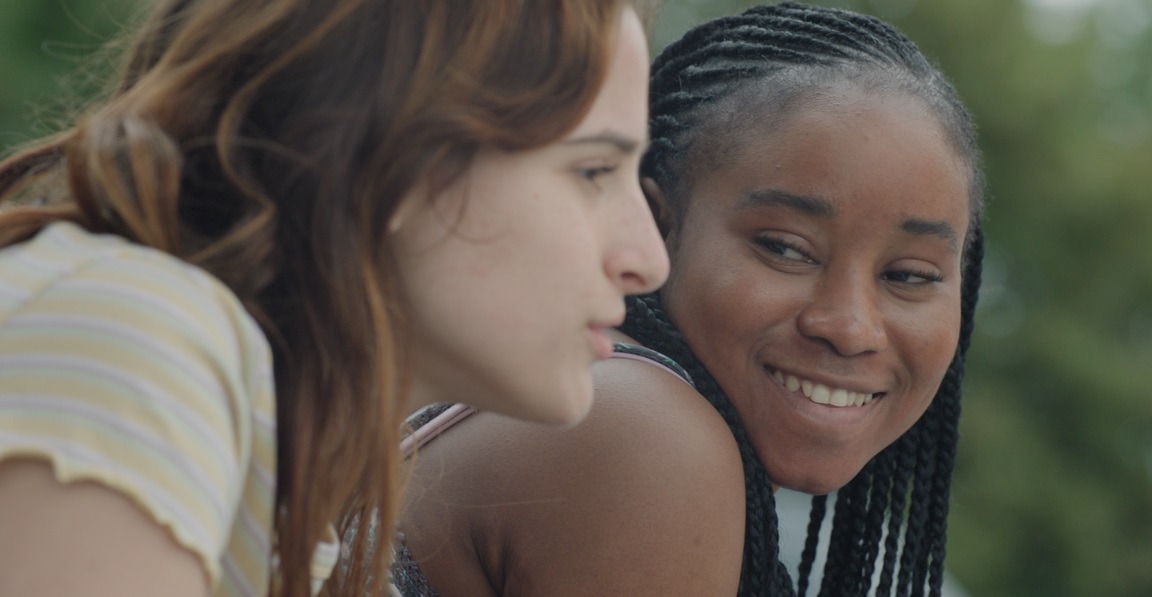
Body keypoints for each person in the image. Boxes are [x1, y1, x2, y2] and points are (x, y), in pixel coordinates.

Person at [0, 0, 668, 595]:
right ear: (395, 155)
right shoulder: (128, 331)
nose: (648, 259)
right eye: (593, 171)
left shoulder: (284, 486)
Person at [397, 2, 986, 595]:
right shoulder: (645, 437)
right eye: (786, 248)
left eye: (909, 275)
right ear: (656, 227)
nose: (851, 327)